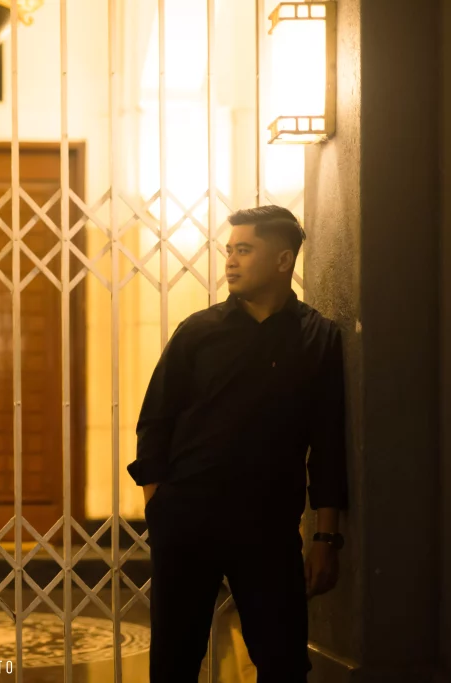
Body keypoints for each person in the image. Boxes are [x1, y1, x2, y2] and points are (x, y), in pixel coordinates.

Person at [128, 205, 348, 682]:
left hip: (268, 528)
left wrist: (326, 538)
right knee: (174, 661)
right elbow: (155, 421)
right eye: (229, 250)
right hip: (187, 519)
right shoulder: (198, 332)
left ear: (283, 260)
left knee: (283, 662)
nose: (230, 261)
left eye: (244, 250)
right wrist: (158, 507)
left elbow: (329, 443)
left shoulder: (317, 338)